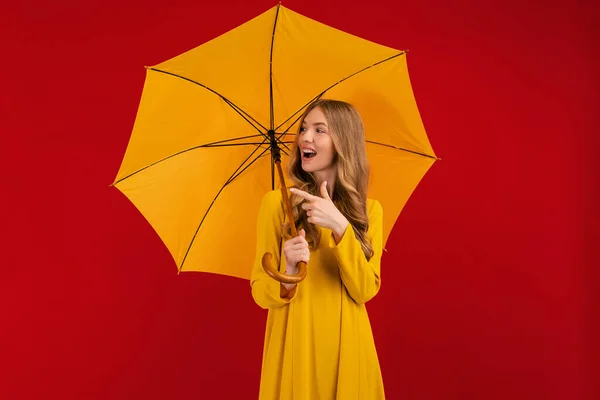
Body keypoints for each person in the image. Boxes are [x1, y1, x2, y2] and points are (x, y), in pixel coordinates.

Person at [250, 99, 385, 399]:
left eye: (319, 130)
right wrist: (286, 271)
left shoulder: (369, 212)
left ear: (343, 142)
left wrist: (341, 227)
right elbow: (260, 290)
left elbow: (364, 289)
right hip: (295, 348)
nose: (304, 138)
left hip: (349, 349)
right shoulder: (276, 205)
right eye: (303, 128)